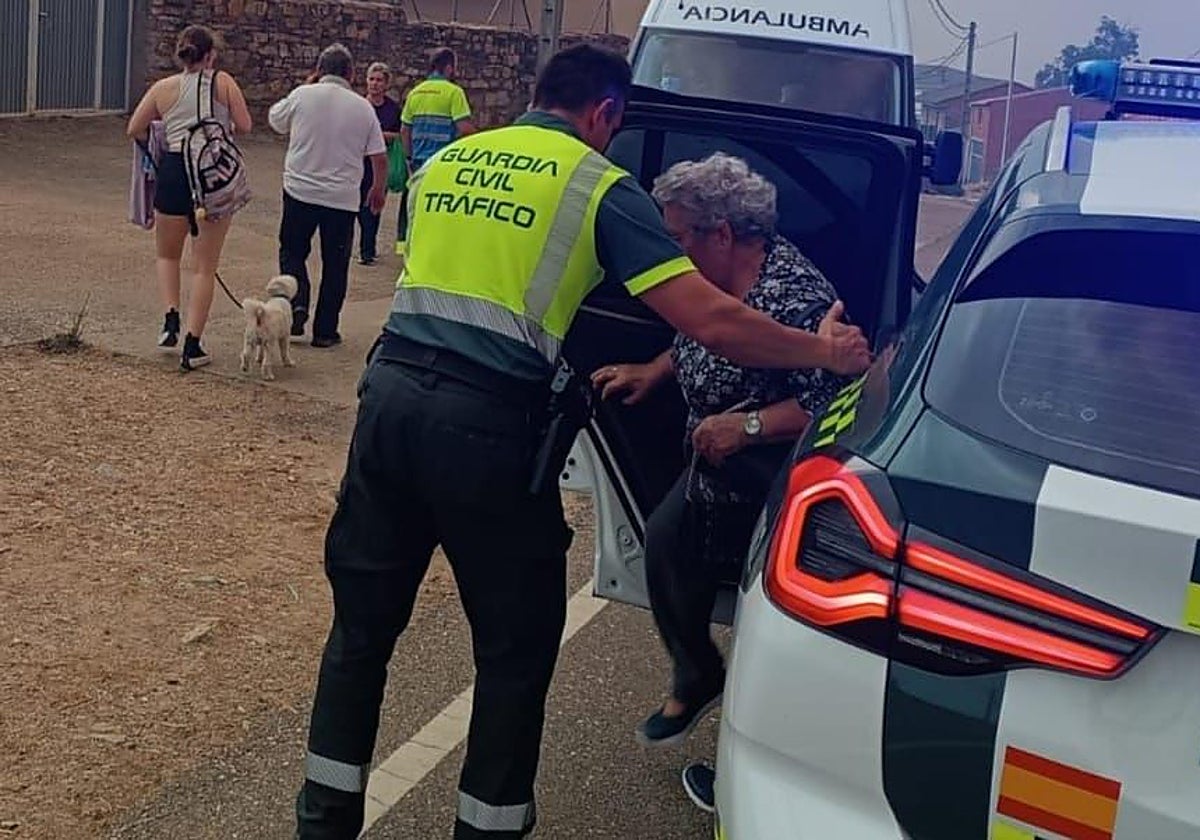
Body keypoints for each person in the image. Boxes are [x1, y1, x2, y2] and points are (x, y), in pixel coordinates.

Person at [294, 44, 870, 840]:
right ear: (605, 114)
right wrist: (824, 353)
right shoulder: (599, 185)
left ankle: (322, 823)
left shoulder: (455, 160)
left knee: (360, 633)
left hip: (386, 404)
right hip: (487, 428)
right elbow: (707, 318)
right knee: (514, 650)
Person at [593, 152, 852, 812]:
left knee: (769, 624)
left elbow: (839, 398)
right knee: (663, 545)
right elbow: (701, 331)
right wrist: (656, 370)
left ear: (723, 234)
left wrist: (752, 428)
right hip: (712, 474)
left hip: (773, 489)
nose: (666, 250)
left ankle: (752, 764)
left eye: (676, 237)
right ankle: (698, 671)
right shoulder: (710, 281)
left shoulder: (799, 296)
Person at [126, 24, 252, 371]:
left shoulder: (162, 88)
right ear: (211, 54)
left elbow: (134, 129)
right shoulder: (222, 82)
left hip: (174, 169)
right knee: (204, 267)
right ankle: (193, 345)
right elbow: (245, 125)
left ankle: (170, 319)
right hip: (211, 175)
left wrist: (161, 137)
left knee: (167, 255)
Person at [269, 43, 387, 347]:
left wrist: (306, 87)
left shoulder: (302, 94)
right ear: (351, 73)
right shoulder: (363, 107)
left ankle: (297, 303)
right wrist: (378, 188)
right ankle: (325, 331)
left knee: (293, 251)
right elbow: (379, 155)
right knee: (336, 263)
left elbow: (275, 120)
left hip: (300, 189)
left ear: (319, 70)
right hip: (342, 197)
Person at [394, 47, 476, 255]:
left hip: (419, 163)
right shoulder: (454, 93)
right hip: (443, 163)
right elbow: (465, 129)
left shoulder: (415, 92)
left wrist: (409, 157)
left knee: (415, 209)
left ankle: (410, 248)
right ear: (449, 68)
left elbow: (405, 130)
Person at [357, 62, 403, 266]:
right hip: (358, 162)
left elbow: (400, 134)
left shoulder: (393, 109)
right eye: (371, 79)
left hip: (381, 163)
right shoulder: (358, 105)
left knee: (373, 207)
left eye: (379, 80)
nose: (374, 84)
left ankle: (368, 250)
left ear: (386, 84)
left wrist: (380, 135)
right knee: (357, 207)